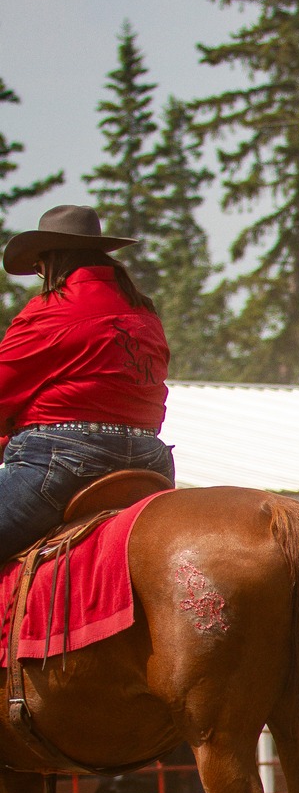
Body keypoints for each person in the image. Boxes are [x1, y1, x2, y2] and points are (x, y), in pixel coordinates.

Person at [0, 205, 174, 560]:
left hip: (64, 461)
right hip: (148, 462)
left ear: (51, 261)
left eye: (38, 267)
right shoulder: (143, 313)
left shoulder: (52, 309)